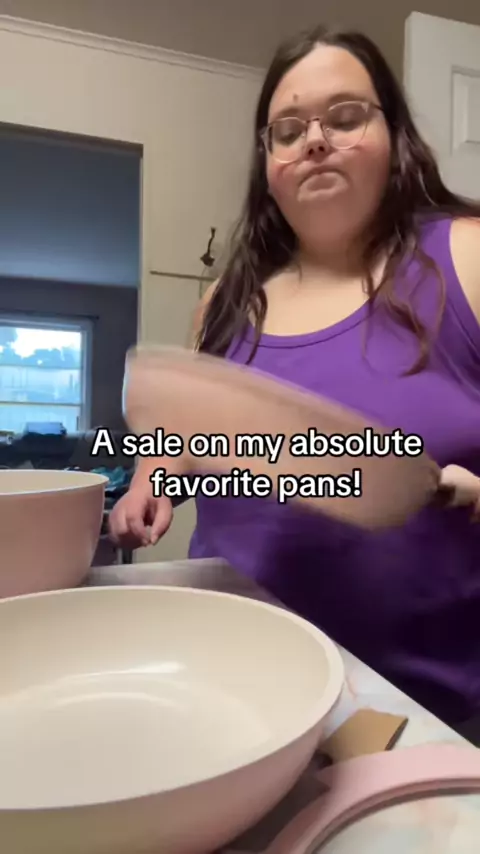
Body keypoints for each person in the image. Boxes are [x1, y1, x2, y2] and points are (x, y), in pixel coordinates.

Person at [110, 25, 480, 739]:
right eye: (288, 130)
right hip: (233, 691)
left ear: (395, 135)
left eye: (345, 117)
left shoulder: (466, 257)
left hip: (432, 718)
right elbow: (188, 434)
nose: (315, 141)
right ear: (269, 160)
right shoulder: (223, 304)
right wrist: (152, 480)